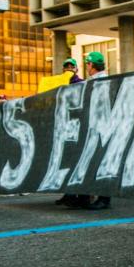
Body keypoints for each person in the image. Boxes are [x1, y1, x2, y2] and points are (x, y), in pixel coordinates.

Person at [62, 51, 111, 210]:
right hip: (92, 126)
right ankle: (83, 197)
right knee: (87, 161)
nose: (87, 67)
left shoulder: (103, 81)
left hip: (101, 126)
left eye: (88, 64)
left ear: (92, 65)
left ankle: (104, 199)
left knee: (99, 162)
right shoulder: (94, 81)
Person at [55, 57, 86, 207]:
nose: (69, 69)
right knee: (65, 162)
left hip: (77, 126)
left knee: (76, 161)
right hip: (64, 127)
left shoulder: (81, 83)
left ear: (76, 69)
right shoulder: (58, 84)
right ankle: (69, 194)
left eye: (71, 67)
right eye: (66, 67)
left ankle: (78, 195)